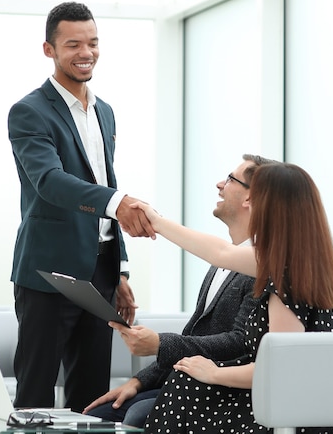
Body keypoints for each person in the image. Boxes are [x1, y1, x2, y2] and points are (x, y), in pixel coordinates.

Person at [129, 162, 333, 434]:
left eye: (256, 197)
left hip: (293, 410)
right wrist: (156, 221)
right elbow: (221, 253)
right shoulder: (299, 262)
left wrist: (213, 372)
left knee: (186, 387)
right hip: (286, 399)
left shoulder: (288, 274)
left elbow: (281, 370)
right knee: (185, 383)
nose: (249, 203)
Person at [7, 1, 154, 412]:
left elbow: (106, 185)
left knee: (92, 399)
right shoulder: (29, 112)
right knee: (35, 396)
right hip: (49, 275)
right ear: (48, 50)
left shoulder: (104, 111)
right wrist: (118, 202)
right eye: (73, 44)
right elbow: (51, 183)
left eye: (92, 42)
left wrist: (119, 268)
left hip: (100, 277)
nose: (85, 52)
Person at [83, 155, 275, 427]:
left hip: (221, 390)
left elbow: (239, 343)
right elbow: (193, 338)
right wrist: (138, 382)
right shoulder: (221, 266)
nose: (220, 184)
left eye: (231, 179)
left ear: (250, 198)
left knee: (137, 414)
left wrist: (160, 343)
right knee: (98, 413)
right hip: (190, 380)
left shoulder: (262, 267)